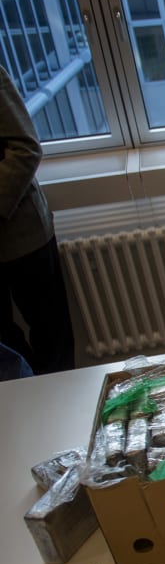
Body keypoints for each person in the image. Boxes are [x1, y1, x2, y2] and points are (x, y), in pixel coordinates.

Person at [0, 64, 75, 376]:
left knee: (51, 333)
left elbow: (26, 149)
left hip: (20, 232)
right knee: (6, 345)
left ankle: (62, 414)